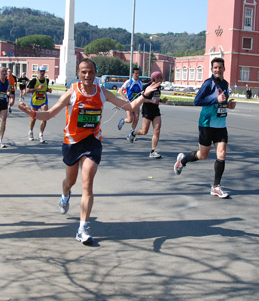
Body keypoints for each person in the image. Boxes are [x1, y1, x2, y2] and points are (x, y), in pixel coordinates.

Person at [18, 58, 159, 245]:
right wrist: (33, 113)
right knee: (71, 181)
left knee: (87, 183)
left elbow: (130, 107)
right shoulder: (72, 93)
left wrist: (144, 94)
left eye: (91, 72)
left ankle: (82, 228)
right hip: (72, 142)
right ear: (78, 73)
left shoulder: (102, 92)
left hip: (92, 142)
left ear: (95, 73)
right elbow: (51, 114)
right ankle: (65, 195)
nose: (87, 75)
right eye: (83, 72)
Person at [173, 57, 236, 198]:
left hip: (220, 124)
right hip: (206, 124)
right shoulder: (208, 83)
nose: (218, 70)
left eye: (220, 67)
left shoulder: (225, 84)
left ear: (224, 69)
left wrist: (228, 105)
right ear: (212, 69)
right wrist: (216, 100)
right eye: (215, 68)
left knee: (222, 153)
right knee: (203, 155)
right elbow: (197, 101)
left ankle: (216, 187)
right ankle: (182, 161)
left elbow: (222, 102)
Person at [127, 71, 168, 159]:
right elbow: (141, 99)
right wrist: (151, 101)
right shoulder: (146, 87)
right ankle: (133, 133)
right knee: (144, 131)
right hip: (147, 111)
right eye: (160, 77)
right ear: (156, 78)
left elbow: (155, 98)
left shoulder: (158, 87)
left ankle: (153, 151)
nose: (162, 79)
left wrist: (161, 101)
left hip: (156, 111)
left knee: (157, 130)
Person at [26, 66, 52, 143]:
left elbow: (45, 89)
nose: (42, 73)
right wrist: (37, 89)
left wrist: (48, 90)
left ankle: (41, 134)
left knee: (45, 116)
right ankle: (30, 131)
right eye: (41, 71)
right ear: (38, 72)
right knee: (33, 118)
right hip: (35, 101)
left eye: (43, 71)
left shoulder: (46, 80)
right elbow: (27, 90)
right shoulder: (34, 80)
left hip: (43, 101)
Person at [117, 67, 143, 133]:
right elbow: (120, 91)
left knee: (136, 118)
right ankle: (123, 121)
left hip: (136, 103)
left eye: (138, 73)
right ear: (132, 74)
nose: (137, 75)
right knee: (130, 119)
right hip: (129, 103)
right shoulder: (129, 82)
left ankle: (132, 133)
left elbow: (141, 93)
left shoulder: (140, 83)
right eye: (136, 73)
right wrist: (125, 99)